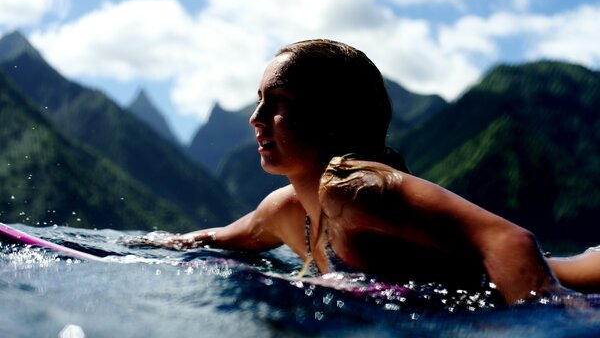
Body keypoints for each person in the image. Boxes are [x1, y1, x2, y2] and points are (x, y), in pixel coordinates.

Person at [154, 39, 600, 304]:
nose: (256, 117)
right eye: (258, 99)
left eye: (279, 102)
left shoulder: (353, 189)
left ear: (331, 118)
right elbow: (214, 239)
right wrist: (155, 246)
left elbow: (509, 240)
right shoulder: (286, 210)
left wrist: (552, 318)